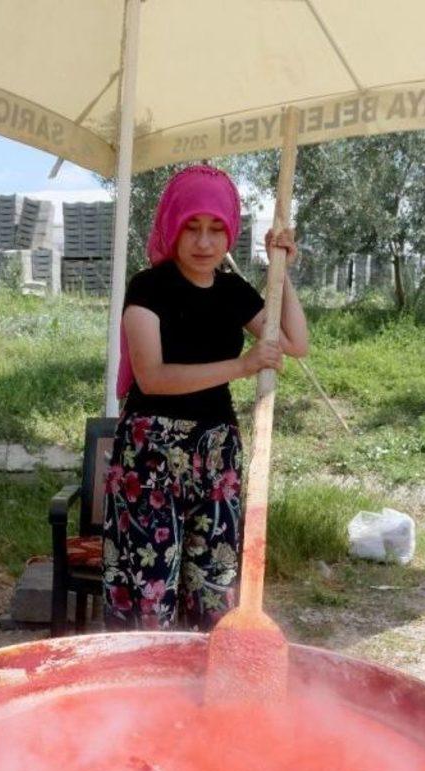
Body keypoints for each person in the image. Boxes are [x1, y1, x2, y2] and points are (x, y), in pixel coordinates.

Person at [103, 165, 307, 631]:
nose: (204, 242)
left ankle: (199, 692)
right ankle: (142, 693)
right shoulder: (148, 287)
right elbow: (152, 377)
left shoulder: (232, 291)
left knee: (214, 584)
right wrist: (242, 365)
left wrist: (282, 271)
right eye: (192, 227)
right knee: (148, 587)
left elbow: (294, 343)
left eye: (217, 229)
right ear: (172, 227)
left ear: (230, 232)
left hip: (216, 455)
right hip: (150, 457)